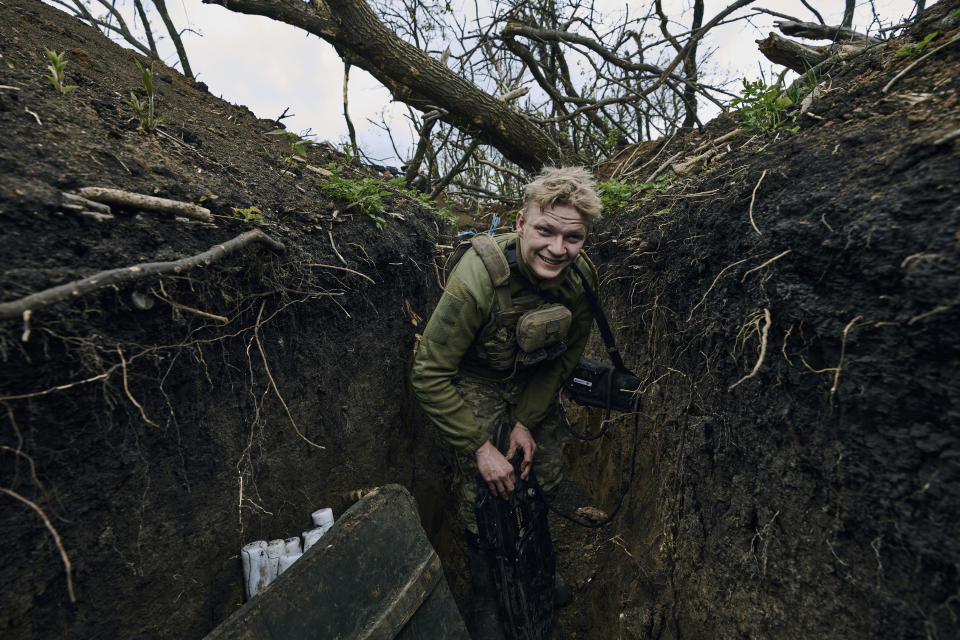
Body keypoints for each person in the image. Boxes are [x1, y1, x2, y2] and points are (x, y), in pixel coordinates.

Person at [411, 166, 603, 639]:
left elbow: (565, 361)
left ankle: (536, 564)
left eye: (573, 237)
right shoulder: (478, 276)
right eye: (545, 230)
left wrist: (525, 423)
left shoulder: (580, 280)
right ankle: (486, 592)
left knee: (545, 470)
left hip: (533, 378)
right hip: (473, 377)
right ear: (521, 223)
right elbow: (429, 373)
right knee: (486, 487)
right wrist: (481, 446)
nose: (558, 249)